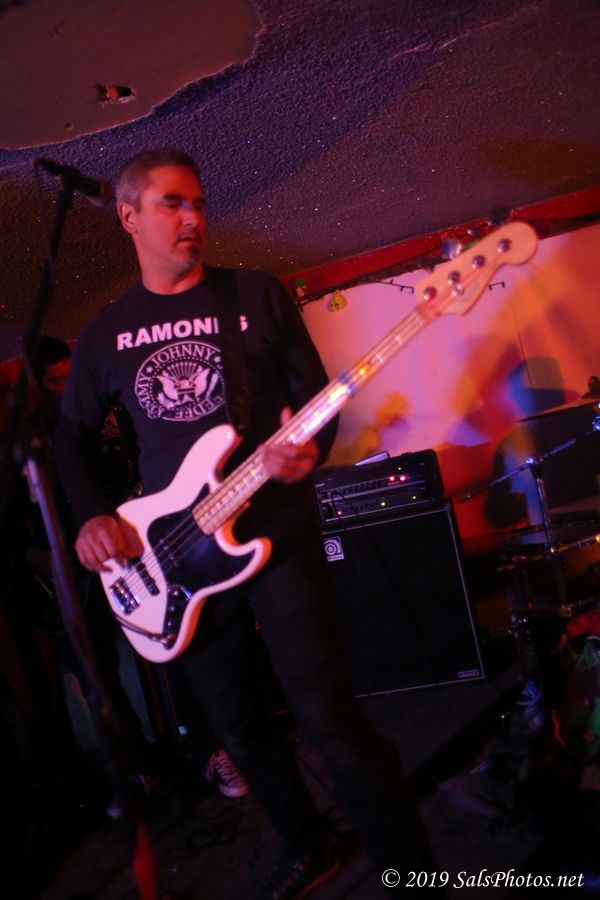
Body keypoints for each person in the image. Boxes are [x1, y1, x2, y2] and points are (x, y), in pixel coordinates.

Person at [54, 147, 440, 898]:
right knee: (237, 727)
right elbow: (71, 437)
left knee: (327, 714)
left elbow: (319, 402)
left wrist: (308, 451)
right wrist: (93, 515)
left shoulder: (255, 295)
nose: (192, 217)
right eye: (171, 203)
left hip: (277, 533)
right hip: (173, 558)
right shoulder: (105, 334)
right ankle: (308, 841)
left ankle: (410, 866)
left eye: (198, 203)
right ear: (128, 216)